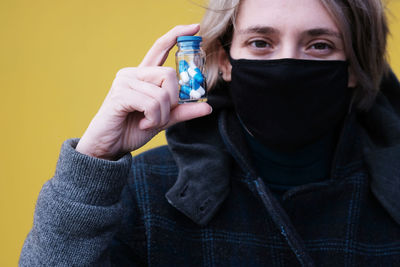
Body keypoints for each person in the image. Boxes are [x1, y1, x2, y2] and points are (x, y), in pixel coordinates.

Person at [20, 0, 400, 266]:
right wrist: (93, 163)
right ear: (223, 60)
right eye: (260, 43)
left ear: (354, 67)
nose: (287, 66)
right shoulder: (146, 190)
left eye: (319, 45)